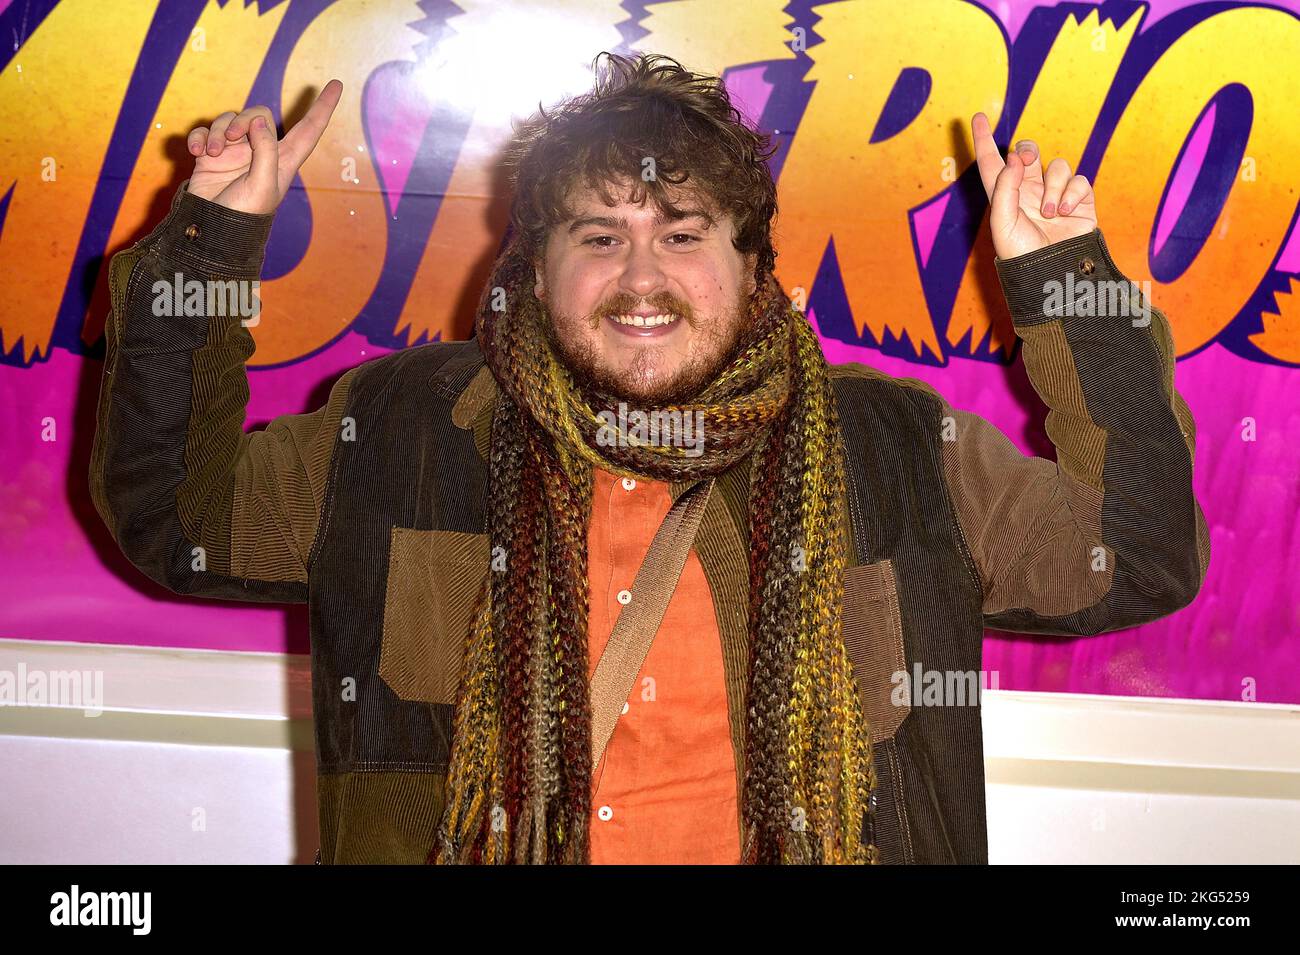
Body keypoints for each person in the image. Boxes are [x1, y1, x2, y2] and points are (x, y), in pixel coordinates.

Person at [90, 52, 1209, 865]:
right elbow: (174, 523)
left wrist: (1065, 282)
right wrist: (208, 246)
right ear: (532, 269)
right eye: (597, 235)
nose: (641, 277)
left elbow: (1136, 556)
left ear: (755, 271)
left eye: (682, 234)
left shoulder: (900, 446)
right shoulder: (393, 429)